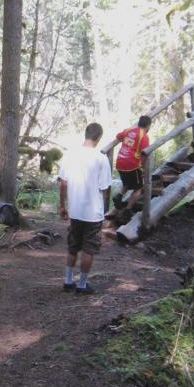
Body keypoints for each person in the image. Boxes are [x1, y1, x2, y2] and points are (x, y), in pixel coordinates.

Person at [58, 122, 112, 294]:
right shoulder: (101, 158)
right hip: (93, 213)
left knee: (73, 245)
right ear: (98, 138)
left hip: (75, 210)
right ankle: (81, 285)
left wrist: (62, 206)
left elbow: (63, 184)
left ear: (86, 134)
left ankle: (68, 281)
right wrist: (104, 211)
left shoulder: (70, 155)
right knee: (89, 248)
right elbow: (104, 188)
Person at [112, 114, 152, 214]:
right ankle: (128, 209)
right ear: (148, 126)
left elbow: (118, 136)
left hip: (120, 162)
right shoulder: (144, 136)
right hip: (132, 164)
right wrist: (142, 167)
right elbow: (144, 153)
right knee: (139, 187)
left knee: (127, 182)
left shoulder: (129, 130)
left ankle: (119, 196)